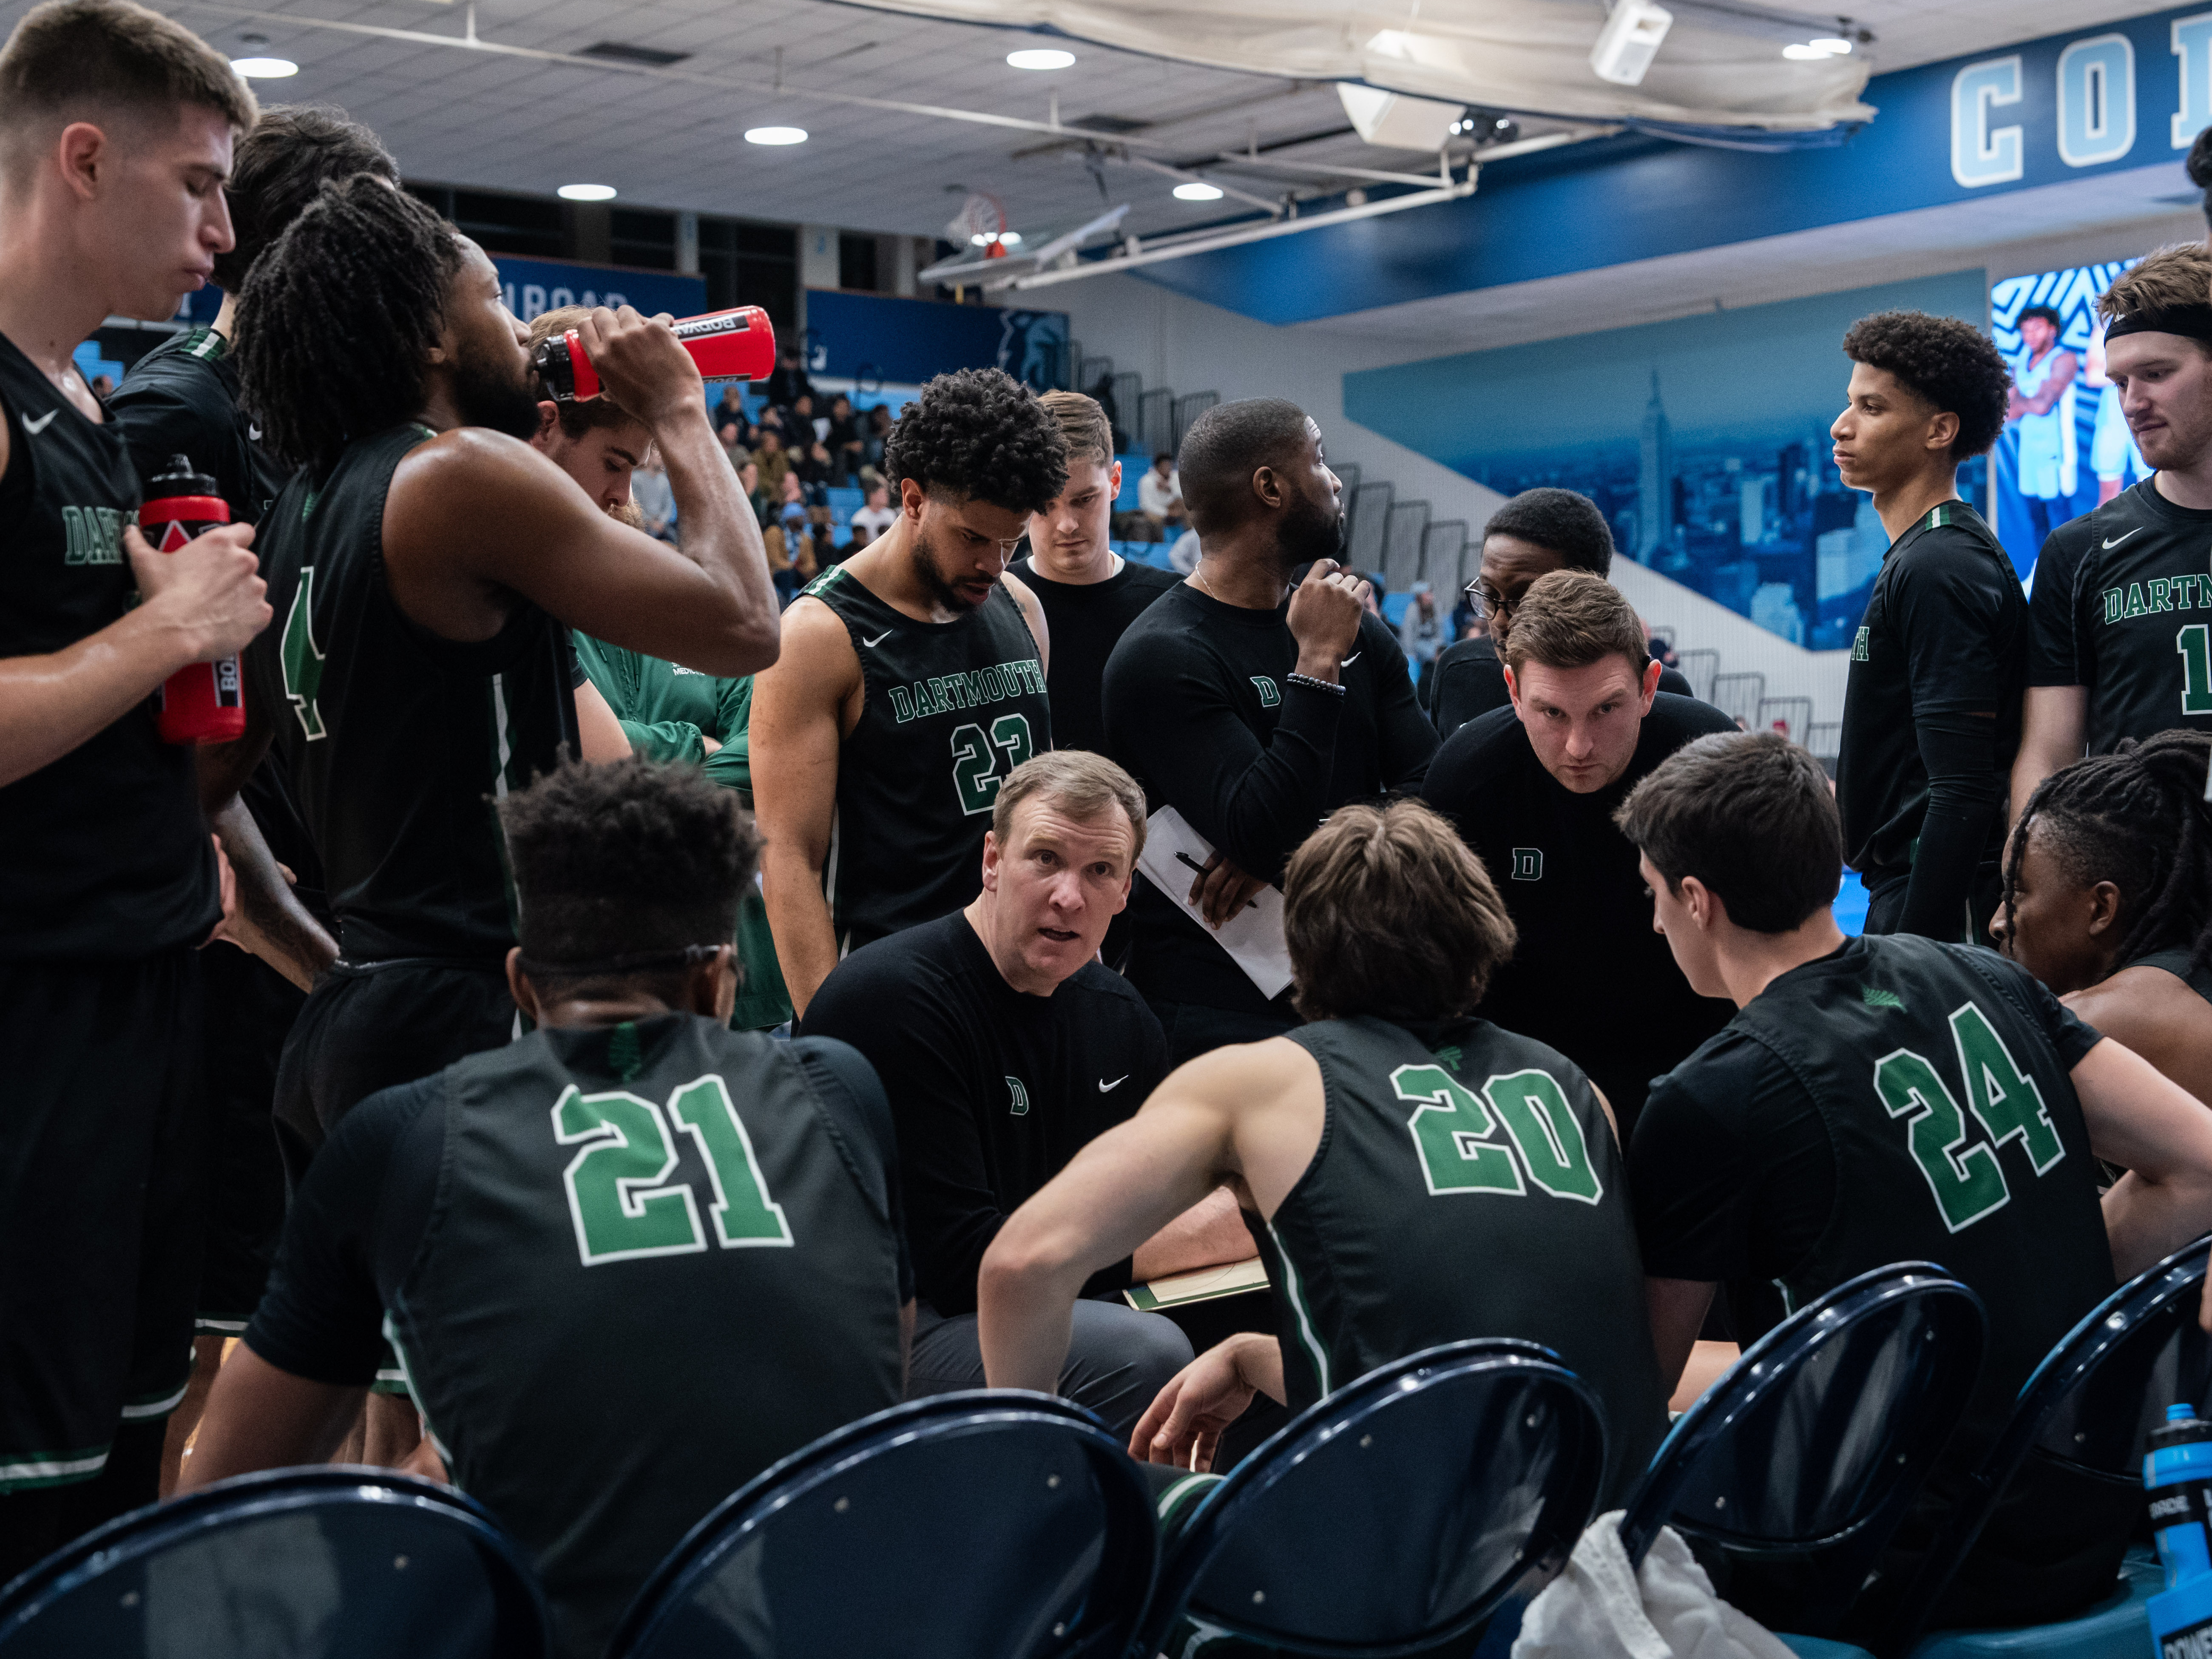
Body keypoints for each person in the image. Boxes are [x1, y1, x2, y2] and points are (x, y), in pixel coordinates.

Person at [181, 758, 908, 1659]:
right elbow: (867, 1366)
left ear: (522, 985)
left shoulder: (404, 1134)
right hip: (848, 1618)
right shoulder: (841, 1090)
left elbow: (222, 1494)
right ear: (721, 982)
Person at [212, 179, 780, 1329]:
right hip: (474, 1002)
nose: (521, 335)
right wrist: (677, 412)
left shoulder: (296, 508)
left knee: (365, 1402)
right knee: (511, 1412)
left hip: (355, 1013)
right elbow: (745, 622)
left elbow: (207, 792)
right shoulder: (457, 474)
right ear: (428, 330)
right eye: (496, 300)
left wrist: (317, 954)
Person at [1621, 730, 2212, 1636]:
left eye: (1655, 897)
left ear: (1697, 900)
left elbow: (1637, 1396)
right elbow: (2200, 1162)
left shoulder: (1709, 1097)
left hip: (1906, 1551)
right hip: (2090, 1498)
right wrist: (2056, 1297)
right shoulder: (1985, 975)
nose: (1655, 923)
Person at [977, 797, 1670, 1504]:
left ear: (1301, 943)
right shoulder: (1574, 1086)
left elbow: (1018, 1262)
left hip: (1420, 1573)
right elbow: (1462, 1354)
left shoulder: (1271, 1079)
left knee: (1096, 1497)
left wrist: (1023, 1477)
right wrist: (1255, 1357)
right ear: (1482, 931)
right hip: (1612, 1536)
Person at [0, 0, 269, 1575]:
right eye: (197, 185)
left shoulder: (89, 398)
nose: (222, 232)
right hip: (33, 1021)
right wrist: (164, 627)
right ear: (82, 160)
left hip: (144, 999)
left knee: (119, 1456)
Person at [108, 99, 394, 1486]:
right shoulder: (179, 412)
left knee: (320, 1337)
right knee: (215, 1345)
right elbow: (182, 754)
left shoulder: (315, 432)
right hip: (232, 966)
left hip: (319, 944)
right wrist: (306, 951)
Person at [805, 752, 1243, 1436]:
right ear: (991, 860)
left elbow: (1162, 1192)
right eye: (1044, 858)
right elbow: (958, 1262)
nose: (1069, 896)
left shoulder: (1120, 1014)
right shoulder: (891, 1000)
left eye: (1099, 871)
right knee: (1145, 1353)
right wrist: (1189, 1233)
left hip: (1041, 1289)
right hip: (893, 1325)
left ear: (1127, 888)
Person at [1102, 398, 1435, 1064]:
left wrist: (1306, 846)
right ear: (1269, 487)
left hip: (1357, 985)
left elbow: (1433, 785)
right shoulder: (1162, 655)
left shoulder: (1358, 630)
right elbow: (1258, 828)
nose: (1334, 479)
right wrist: (1315, 665)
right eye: (1317, 457)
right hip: (1213, 1013)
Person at [750, 367, 1061, 1019]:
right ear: (913, 498)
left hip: (1018, 982)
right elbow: (790, 863)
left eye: (1008, 541)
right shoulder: (818, 637)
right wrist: (833, 1038)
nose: (992, 563)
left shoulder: (1021, 606)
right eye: (972, 537)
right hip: (894, 991)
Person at [520, 306, 791, 1032]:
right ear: (545, 430)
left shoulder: (666, 578)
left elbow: (773, 758)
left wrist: (653, 741)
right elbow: (599, 779)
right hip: (615, 985)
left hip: (752, 974)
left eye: (634, 470)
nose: (623, 493)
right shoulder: (517, 604)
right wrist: (701, 745)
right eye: (613, 464)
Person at [1422, 571, 1736, 1141]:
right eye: (1551, 714)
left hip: (1691, 1056)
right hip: (1521, 1075)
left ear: (1648, 686)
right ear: (1513, 692)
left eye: (1604, 709)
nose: (1577, 747)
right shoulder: (1463, 779)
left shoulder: (1707, 759)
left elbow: (1752, 942)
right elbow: (1444, 978)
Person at [1831, 309, 2023, 942]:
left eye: (1871, 408)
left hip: (1940, 901)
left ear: (1939, 429)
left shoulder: (1938, 564)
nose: (1841, 425)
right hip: (1911, 888)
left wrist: (1912, 958)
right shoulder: (1927, 555)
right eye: (1849, 403)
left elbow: (1961, 789)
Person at [2012, 247, 2212, 819]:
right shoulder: (2076, 552)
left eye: (2155, 374)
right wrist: (2023, 878)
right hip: (2138, 887)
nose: (2132, 403)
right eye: (2121, 381)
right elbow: (2047, 754)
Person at [1995, 732, 2212, 1107]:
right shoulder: (2190, 974)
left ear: (2100, 908)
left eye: (2016, 892)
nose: (1997, 923)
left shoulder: (2089, 1023)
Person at [1427, 487, 1692, 740]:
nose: (1499, 620)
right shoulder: (1459, 673)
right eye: (1490, 594)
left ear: (1590, 593)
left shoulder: (1658, 693)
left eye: (1524, 599)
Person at [1011, 390, 1178, 757]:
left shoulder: (1174, 605)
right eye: (1044, 504)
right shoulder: (989, 604)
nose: (1066, 525)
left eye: (1084, 499)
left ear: (1116, 481)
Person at [2006, 304, 2079, 547]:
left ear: (2053, 329)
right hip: (2028, 452)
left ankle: (2072, 578)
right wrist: (2030, 401)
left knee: (2061, 520)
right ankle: (2042, 571)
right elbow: (2008, 413)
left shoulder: (2064, 359)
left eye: (2037, 329)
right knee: (2035, 517)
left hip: (2056, 450)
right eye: (2025, 331)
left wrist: (2020, 400)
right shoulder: (2021, 363)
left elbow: (2044, 405)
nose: (2030, 336)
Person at [1397, 579, 1445, 706]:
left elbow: (1440, 630)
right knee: (1426, 652)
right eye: (1427, 593)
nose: (1431, 596)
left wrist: (1439, 647)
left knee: (1442, 653)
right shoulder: (1413, 609)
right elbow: (1407, 634)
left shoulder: (1436, 607)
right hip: (1417, 643)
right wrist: (1410, 652)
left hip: (1432, 642)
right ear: (1420, 596)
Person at [630, 447, 675, 541]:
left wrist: (661, 522)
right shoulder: (636, 479)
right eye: (658, 456)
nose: (661, 459)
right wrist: (651, 523)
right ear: (649, 457)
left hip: (661, 526)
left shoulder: (664, 481)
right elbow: (636, 506)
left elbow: (668, 507)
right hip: (644, 525)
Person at [1138, 451, 1182, 537]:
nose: (1168, 469)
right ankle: (1159, 545)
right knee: (1152, 518)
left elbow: (1183, 497)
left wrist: (1169, 490)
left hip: (1175, 509)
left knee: (1186, 507)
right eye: (1165, 466)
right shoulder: (1146, 481)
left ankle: (1194, 537)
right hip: (1157, 513)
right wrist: (1167, 513)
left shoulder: (1175, 477)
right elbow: (1146, 505)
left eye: (1170, 466)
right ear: (1158, 467)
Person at [763, 340, 812, 410]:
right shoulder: (777, 375)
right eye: (790, 360)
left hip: (799, 407)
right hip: (782, 407)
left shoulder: (800, 374)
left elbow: (806, 390)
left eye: (795, 360)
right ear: (784, 360)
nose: (793, 363)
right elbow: (775, 394)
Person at [849, 478, 897, 542]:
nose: (887, 497)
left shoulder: (891, 514)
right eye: (884, 494)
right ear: (873, 496)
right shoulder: (859, 518)